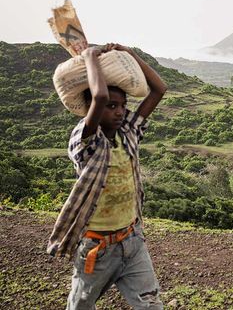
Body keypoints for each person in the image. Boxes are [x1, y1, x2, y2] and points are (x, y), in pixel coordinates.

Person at [47, 43, 167, 309]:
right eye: (111, 106)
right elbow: (99, 96)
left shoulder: (128, 134)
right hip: (96, 248)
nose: (119, 111)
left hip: (132, 240)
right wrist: (90, 56)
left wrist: (131, 54)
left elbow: (159, 90)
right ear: (90, 109)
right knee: (80, 306)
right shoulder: (86, 143)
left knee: (151, 306)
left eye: (122, 105)